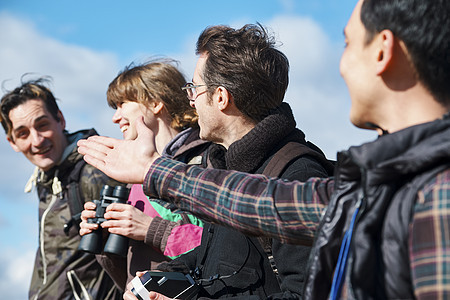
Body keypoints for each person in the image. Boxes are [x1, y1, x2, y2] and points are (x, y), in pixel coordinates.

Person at [77, 0, 450, 299]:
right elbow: (262, 207)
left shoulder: (434, 192)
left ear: (383, 50)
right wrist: (166, 282)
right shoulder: (378, 183)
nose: (340, 66)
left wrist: (153, 173)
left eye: (348, 43)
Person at [154, 23, 333, 300]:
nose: (191, 101)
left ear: (221, 97)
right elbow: (217, 256)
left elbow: (306, 295)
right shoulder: (225, 166)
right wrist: (158, 278)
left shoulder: (297, 176)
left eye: (194, 89)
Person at [79, 60, 211, 290]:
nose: (115, 117)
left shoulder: (207, 160)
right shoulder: (132, 181)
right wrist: (103, 238)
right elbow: (127, 279)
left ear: (156, 102)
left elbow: (226, 249)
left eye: (122, 104)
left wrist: (150, 229)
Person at [0, 77, 123, 300]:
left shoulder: (93, 171)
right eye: (23, 133)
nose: (36, 140)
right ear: (12, 142)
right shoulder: (48, 178)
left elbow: (130, 252)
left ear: (60, 119)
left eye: (42, 125)